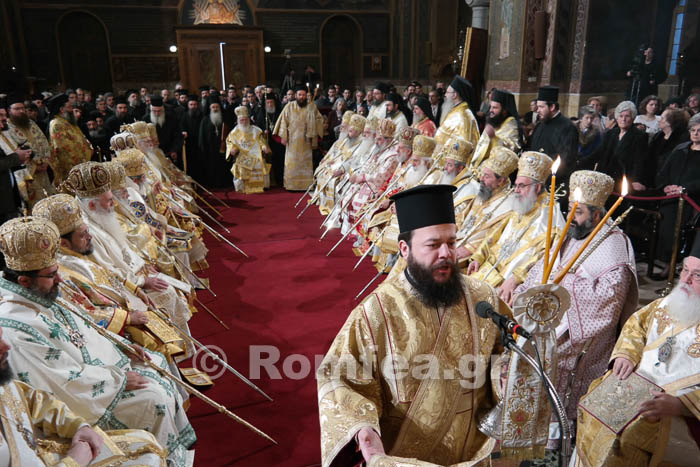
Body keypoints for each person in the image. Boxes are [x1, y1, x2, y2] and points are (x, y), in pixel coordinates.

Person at [317, 184, 509, 466]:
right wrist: (364, 430)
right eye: (433, 245)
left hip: (474, 451)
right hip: (405, 455)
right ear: (404, 249)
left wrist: (506, 373)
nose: (447, 254)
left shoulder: (483, 297)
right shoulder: (376, 311)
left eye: (452, 243)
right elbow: (340, 377)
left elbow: (507, 350)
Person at [0, 217, 195, 466]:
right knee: (153, 397)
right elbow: (58, 381)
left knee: (155, 361)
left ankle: (172, 451)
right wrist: (118, 380)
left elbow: (86, 325)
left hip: (101, 373)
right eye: (51, 275)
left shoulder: (40, 294)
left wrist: (120, 346)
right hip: (84, 397)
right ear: (24, 281)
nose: (59, 279)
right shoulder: (13, 328)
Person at [514, 170, 638, 451]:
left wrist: (560, 285)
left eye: (578, 212)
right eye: (570, 210)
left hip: (582, 338)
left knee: (552, 359)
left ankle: (556, 444)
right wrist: (526, 292)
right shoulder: (570, 233)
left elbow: (609, 299)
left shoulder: (614, 243)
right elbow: (543, 270)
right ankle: (528, 433)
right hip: (551, 321)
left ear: (597, 215)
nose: (571, 217)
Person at [573, 242, 700, 466]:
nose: (685, 281)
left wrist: (682, 406)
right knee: (593, 403)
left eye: (697, 276)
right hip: (641, 382)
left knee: (630, 432)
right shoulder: (671, 301)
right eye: (685, 271)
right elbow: (637, 324)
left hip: (681, 408)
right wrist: (626, 354)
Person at [0, 326, 167, 466]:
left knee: (147, 447)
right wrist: (74, 461)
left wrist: (78, 427)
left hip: (49, 450)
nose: (6, 346)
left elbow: (34, 400)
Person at [467, 151, 565, 300]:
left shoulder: (551, 217)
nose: (516, 190)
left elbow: (544, 257)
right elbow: (495, 233)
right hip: (486, 271)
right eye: (516, 185)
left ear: (537, 188)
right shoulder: (523, 204)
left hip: (509, 284)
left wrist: (516, 278)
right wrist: (479, 256)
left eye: (521, 186)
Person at [654, 114, 700, 263]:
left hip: (692, 200)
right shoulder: (680, 148)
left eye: (699, 130)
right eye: (693, 130)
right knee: (665, 229)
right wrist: (666, 186)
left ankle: (674, 264)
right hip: (671, 199)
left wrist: (685, 189)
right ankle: (667, 262)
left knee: (681, 231)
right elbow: (664, 172)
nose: (695, 133)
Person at [590, 101, 649, 192]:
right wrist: (580, 162)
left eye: (627, 116)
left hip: (625, 179)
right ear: (617, 118)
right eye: (621, 116)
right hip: (606, 177)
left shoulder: (640, 136)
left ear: (633, 118)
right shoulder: (610, 133)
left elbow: (639, 160)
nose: (623, 119)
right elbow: (599, 152)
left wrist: (636, 180)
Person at [272, 85, 323, 191]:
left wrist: (314, 130)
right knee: (291, 164)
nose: (302, 97)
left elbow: (320, 119)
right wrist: (283, 136)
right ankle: (291, 185)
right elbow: (282, 121)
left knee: (306, 164)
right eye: (300, 95)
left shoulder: (311, 107)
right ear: (295, 95)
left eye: (304, 95)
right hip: (292, 141)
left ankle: (306, 186)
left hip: (306, 141)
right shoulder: (289, 106)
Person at [529, 86, 579, 179]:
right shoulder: (540, 125)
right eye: (537, 106)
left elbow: (566, 160)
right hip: (536, 178)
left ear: (552, 107)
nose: (537, 110)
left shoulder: (567, 127)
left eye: (541, 107)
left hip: (553, 181)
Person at [471, 89, 522, 168]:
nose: (491, 110)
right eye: (491, 107)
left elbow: (512, 149)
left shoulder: (511, 123)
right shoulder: (493, 121)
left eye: (495, 108)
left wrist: (494, 138)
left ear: (504, 111)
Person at [225, 106, 271, 193]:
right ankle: (242, 187)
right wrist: (232, 149)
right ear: (238, 121)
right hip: (241, 155)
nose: (244, 122)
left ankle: (262, 186)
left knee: (259, 162)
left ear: (249, 119)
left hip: (255, 154)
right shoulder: (234, 132)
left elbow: (261, 140)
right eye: (242, 120)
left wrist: (264, 146)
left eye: (246, 119)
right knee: (242, 164)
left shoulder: (256, 130)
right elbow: (230, 143)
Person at [434, 75, 480, 157]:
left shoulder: (463, 116)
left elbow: (462, 148)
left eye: (447, 92)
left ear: (454, 95)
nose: (445, 95)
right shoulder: (455, 110)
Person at [198, 97, 232, 188]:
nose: (215, 109)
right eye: (213, 107)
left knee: (223, 167)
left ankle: (224, 184)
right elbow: (202, 137)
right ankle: (212, 184)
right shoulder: (205, 120)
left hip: (223, 149)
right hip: (210, 150)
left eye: (217, 107)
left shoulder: (225, 119)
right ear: (210, 108)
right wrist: (203, 150)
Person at [648, 108, 689, 177]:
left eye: (662, 118)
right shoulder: (658, 136)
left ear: (670, 122)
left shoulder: (683, 138)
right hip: (652, 175)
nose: (659, 120)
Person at [144, 97, 182, 169]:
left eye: (159, 111)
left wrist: (174, 150)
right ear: (151, 110)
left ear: (163, 109)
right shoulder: (145, 119)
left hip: (169, 153)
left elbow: (177, 136)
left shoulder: (171, 118)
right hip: (153, 154)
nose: (157, 113)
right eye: (154, 111)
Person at [179, 95, 204, 183]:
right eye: (191, 104)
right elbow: (181, 127)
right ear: (188, 105)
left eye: (195, 104)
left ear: (197, 105)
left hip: (200, 144)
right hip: (189, 144)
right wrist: (183, 131)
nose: (193, 106)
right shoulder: (184, 116)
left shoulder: (202, 115)